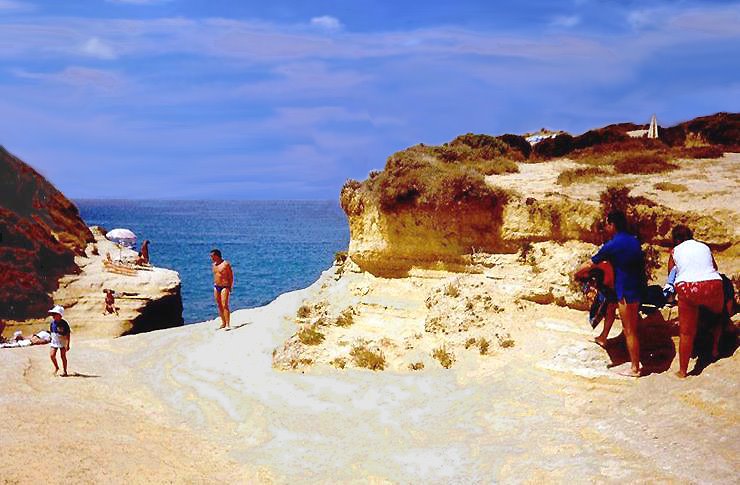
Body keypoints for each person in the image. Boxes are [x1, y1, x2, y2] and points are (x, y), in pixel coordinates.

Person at [575, 210, 645, 377]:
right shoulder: (634, 241)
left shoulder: (612, 245)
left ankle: (635, 368)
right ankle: (603, 337)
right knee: (618, 314)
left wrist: (576, 274)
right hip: (637, 286)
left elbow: (590, 264)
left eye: (607, 224)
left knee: (629, 330)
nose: (606, 227)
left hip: (625, 291)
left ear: (613, 225)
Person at [668, 224, 724, 378]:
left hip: (688, 287)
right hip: (713, 284)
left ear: (676, 239)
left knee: (686, 333)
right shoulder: (704, 246)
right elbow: (714, 267)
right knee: (719, 316)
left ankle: (683, 371)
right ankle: (715, 349)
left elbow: (671, 277)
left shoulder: (675, 251)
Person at [211, 249, 234, 330]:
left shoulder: (225, 264)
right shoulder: (214, 265)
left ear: (217, 256)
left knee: (224, 304)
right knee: (219, 305)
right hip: (216, 286)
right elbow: (215, 275)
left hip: (225, 286)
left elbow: (231, 276)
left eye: (212, 256)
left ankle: (228, 324)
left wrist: (230, 286)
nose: (211, 258)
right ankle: (223, 322)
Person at [48, 305, 71, 376]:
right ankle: (56, 367)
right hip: (54, 340)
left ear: (60, 315)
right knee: (52, 355)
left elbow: (68, 334)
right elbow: (52, 332)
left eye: (55, 314)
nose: (53, 316)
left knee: (63, 356)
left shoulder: (64, 323)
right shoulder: (52, 323)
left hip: (62, 340)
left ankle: (65, 371)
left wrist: (67, 344)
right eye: (53, 314)